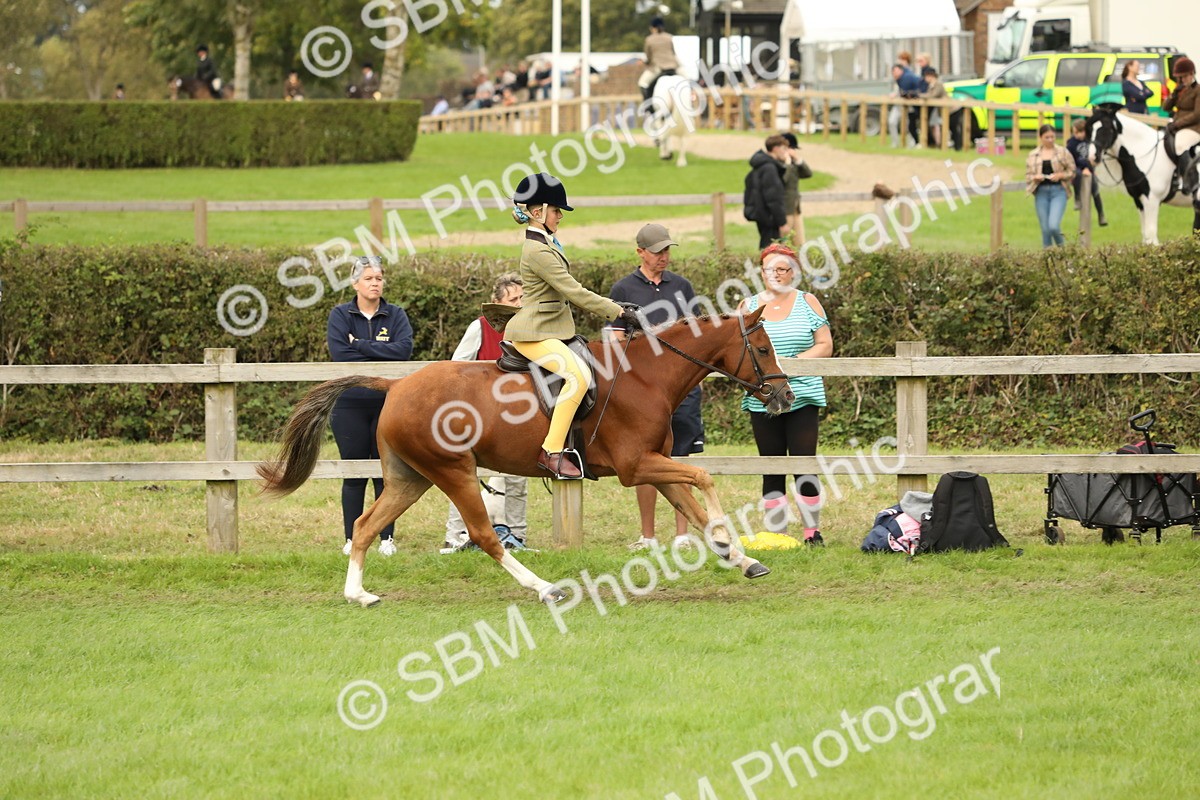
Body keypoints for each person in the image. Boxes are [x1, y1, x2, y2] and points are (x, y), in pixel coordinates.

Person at [505, 173, 639, 479]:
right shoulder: (537, 251)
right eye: (556, 210)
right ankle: (551, 451)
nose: (560, 216)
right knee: (577, 377)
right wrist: (617, 310)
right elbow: (574, 292)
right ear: (537, 213)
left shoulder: (546, 242)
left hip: (552, 328)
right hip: (533, 332)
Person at [606, 224, 704, 551]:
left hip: (681, 390)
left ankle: (682, 536)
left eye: (667, 251)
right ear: (640, 252)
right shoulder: (622, 289)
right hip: (641, 393)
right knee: (644, 460)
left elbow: (698, 334)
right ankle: (647, 537)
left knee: (679, 458)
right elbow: (614, 339)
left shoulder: (683, 287)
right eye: (657, 251)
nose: (664, 257)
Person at [738, 244, 832, 546]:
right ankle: (776, 534)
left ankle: (811, 533)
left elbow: (824, 345)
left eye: (782, 269)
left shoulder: (808, 301)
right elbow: (737, 351)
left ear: (793, 272)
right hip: (762, 398)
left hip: (801, 395)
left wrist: (788, 367)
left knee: (804, 464)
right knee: (771, 465)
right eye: (769, 269)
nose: (775, 275)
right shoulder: (748, 306)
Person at [326, 256, 414, 556]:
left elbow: (403, 351)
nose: (375, 283)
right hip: (349, 403)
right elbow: (341, 356)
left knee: (386, 472)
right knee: (354, 473)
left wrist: (361, 345)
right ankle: (352, 538)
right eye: (368, 278)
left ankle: (385, 538)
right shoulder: (340, 315)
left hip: (388, 403)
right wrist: (379, 355)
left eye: (379, 278)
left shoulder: (396, 314)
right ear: (355, 284)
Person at [444, 273, 527, 551]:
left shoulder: (532, 327)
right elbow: (457, 366)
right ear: (497, 303)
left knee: (518, 477)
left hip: (518, 415)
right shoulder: (479, 328)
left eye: (522, 298)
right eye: (514, 299)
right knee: (462, 476)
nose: (520, 303)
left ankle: (517, 536)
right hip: (480, 415)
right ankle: (456, 534)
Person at [1025, 124, 1075, 248]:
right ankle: (1047, 258)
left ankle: (1063, 251)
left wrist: (1060, 175)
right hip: (1041, 191)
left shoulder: (1062, 152)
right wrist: (1035, 177)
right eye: (1047, 137)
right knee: (1045, 229)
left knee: (1053, 225)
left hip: (1058, 191)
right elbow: (1028, 176)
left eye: (1052, 137)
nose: (1050, 140)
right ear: (1041, 137)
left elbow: (1072, 171)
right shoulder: (1033, 155)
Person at [744, 134, 792, 249]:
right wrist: (782, 222)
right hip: (769, 217)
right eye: (784, 149)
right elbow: (774, 198)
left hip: (762, 214)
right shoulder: (769, 168)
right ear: (775, 148)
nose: (786, 153)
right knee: (771, 249)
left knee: (768, 248)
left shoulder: (761, 166)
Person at [1164, 58, 1200, 189]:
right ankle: (1172, 174)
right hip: (1178, 127)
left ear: (1192, 74)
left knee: (1180, 145)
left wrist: (1177, 123)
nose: (1182, 80)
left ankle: (1188, 178)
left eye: (1184, 77)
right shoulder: (1180, 91)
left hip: (1194, 128)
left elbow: (1196, 115)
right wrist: (1174, 93)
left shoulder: (1198, 90)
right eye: (1180, 78)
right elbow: (1165, 107)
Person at [1066, 118, 1107, 227]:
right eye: (1075, 132)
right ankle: (1077, 198)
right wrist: (1083, 167)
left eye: (1079, 132)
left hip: (1090, 169)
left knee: (1095, 190)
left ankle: (1101, 214)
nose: (1077, 135)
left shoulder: (1090, 142)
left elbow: (1093, 158)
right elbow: (1072, 159)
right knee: (1077, 175)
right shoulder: (1071, 143)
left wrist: (1089, 168)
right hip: (1077, 168)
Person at [780, 133, 811, 246]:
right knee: (783, 243)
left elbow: (807, 174)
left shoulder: (794, 163)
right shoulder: (779, 164)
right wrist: (787, 164)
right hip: (785, 209)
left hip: (796, 208)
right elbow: (782, 181)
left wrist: (798, 159)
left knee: (800, 243)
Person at [639, 16, 679, 102]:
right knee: (688, 81)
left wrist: (646, 62)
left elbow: (648, 57)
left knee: (642, 83)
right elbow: (673, 52)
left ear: (653, 27)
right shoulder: (669, 37)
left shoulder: (649, 39)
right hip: (673, 67)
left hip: (659, 68)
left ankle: (648, 107)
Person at [891, 62, 922, 147]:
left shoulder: (906, 77)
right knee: (911, 123)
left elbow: (905, 93)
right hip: (912, 103)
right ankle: (914, 143)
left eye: (896, 71)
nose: (894, 73)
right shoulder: (901, 78)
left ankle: (915, 142)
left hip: (915, 103)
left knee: (912, 124)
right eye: (893, 71)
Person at [888, 52, 914, 148]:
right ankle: (895, 143)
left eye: (902, 60)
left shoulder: (909, 74)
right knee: (892, 121)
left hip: (907, 103)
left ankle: (911, 143)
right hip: (898, 102)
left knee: (908, 124)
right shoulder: (897, 73)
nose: (900, 61)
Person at [920, 65, 946, 147]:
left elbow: (933, 95)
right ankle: (937, 143)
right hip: (937, 110)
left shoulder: (938, 85)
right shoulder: (931, 85)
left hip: (945, 110)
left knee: (938, 126)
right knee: (934, 125)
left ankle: (941, 143)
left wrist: (919, 95)